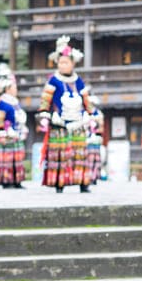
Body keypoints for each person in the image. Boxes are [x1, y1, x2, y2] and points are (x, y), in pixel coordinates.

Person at [36, 36, 95, 193]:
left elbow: (86, 99)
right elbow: (45, 101)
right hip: (59, 123)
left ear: (73, 63)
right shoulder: (53, 80)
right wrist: (45, 115)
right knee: (60, 155)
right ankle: (59, 183)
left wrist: (90, 114)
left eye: (66, 62)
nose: (63, 65)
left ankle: (83, 182)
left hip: (78, 122)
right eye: (60, 62)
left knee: (79, 154)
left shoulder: (78, 81)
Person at [0, 66, 28, 188]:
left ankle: (17, 180)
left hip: (16, 134)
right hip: (7, 136)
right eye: (14, 87)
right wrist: (2, 132)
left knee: (17, 159)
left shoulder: (14, 102)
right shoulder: (2, 102)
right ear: (7, 88)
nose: (16, 89)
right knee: (7, 160)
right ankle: (7, 181)